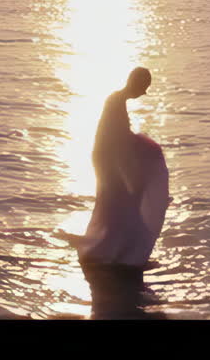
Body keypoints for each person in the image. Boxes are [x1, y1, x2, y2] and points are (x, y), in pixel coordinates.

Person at [68, 67, 171, 316]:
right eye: (144, 87)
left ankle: (112, 250)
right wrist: (130, 174)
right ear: (134, 83)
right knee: (119, 206)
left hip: (110, 158)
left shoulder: (117, 100)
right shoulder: (115, 100)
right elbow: (115, 139)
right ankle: (110, 251)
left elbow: (119, 139)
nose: (145, 92)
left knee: (117, 207)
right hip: (109, 161)